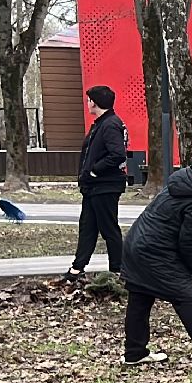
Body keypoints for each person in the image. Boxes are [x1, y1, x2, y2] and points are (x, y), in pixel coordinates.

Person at [120, 158, 192, 366]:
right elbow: (187, 242)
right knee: (185, 296)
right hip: (155, 251)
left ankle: (134, 353)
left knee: (140, 296)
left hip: (135, 243)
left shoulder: (184, 183)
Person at [68, 86, 129, 280]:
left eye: (88, 100)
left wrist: (94, 170)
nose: (87, 103)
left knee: (108, 228)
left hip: (105, 186)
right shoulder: (102, 123)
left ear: (94, 102)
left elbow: (117, 155)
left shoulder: (110, 124)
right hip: (94, 187)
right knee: (87, 227)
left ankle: (118, 269)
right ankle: (77, 268)